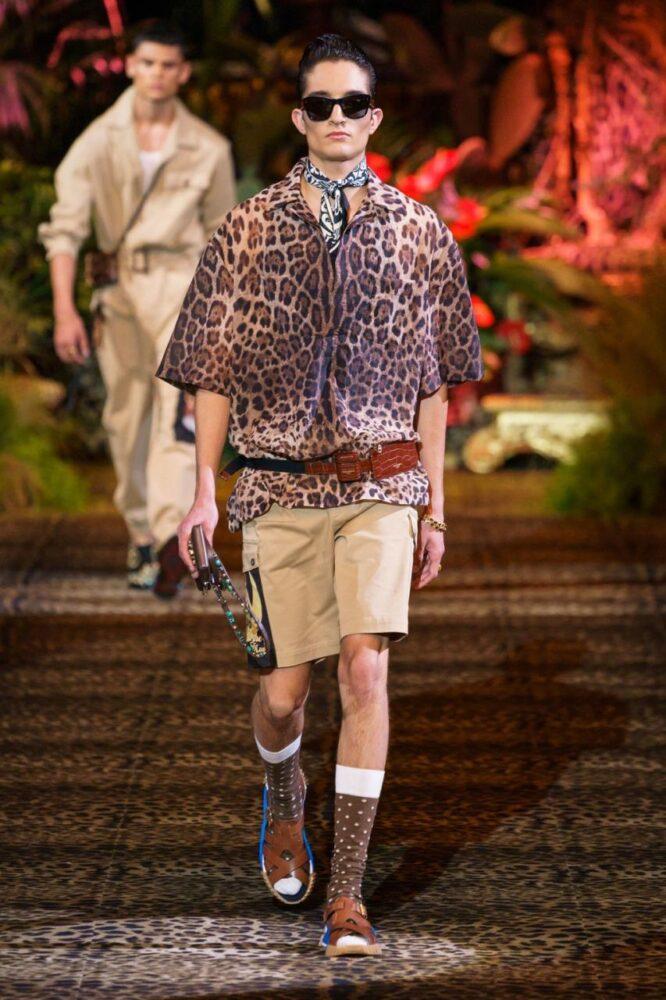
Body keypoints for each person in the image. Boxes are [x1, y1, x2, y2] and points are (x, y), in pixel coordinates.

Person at [157, 33, 483, 956]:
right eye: (320, 104)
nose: (337, 117)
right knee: (283, 694)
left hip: (383, 479)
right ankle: (283, 789)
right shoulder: (248, 228)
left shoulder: (420, 232)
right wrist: (202, 494)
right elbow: (211, 370)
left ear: (374, 117)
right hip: (276, 485)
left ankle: (348, 895)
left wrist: (434, 508)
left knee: (365, 669)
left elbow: (436, 384)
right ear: (299, 117)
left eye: (354, 104)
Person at [38, 20, 237, 597]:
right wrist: (64, 310)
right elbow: (64, 230)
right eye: (147, 62)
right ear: (130, 65)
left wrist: (221, 316)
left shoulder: (208, 147)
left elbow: (224, 239)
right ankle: (141, 535)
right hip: (118, 288)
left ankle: (175, 537)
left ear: (183, 72)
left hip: (182, 286)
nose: (156, 74)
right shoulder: (98, 141)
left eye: (168, 65)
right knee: (126, 418)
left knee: (178, 409)